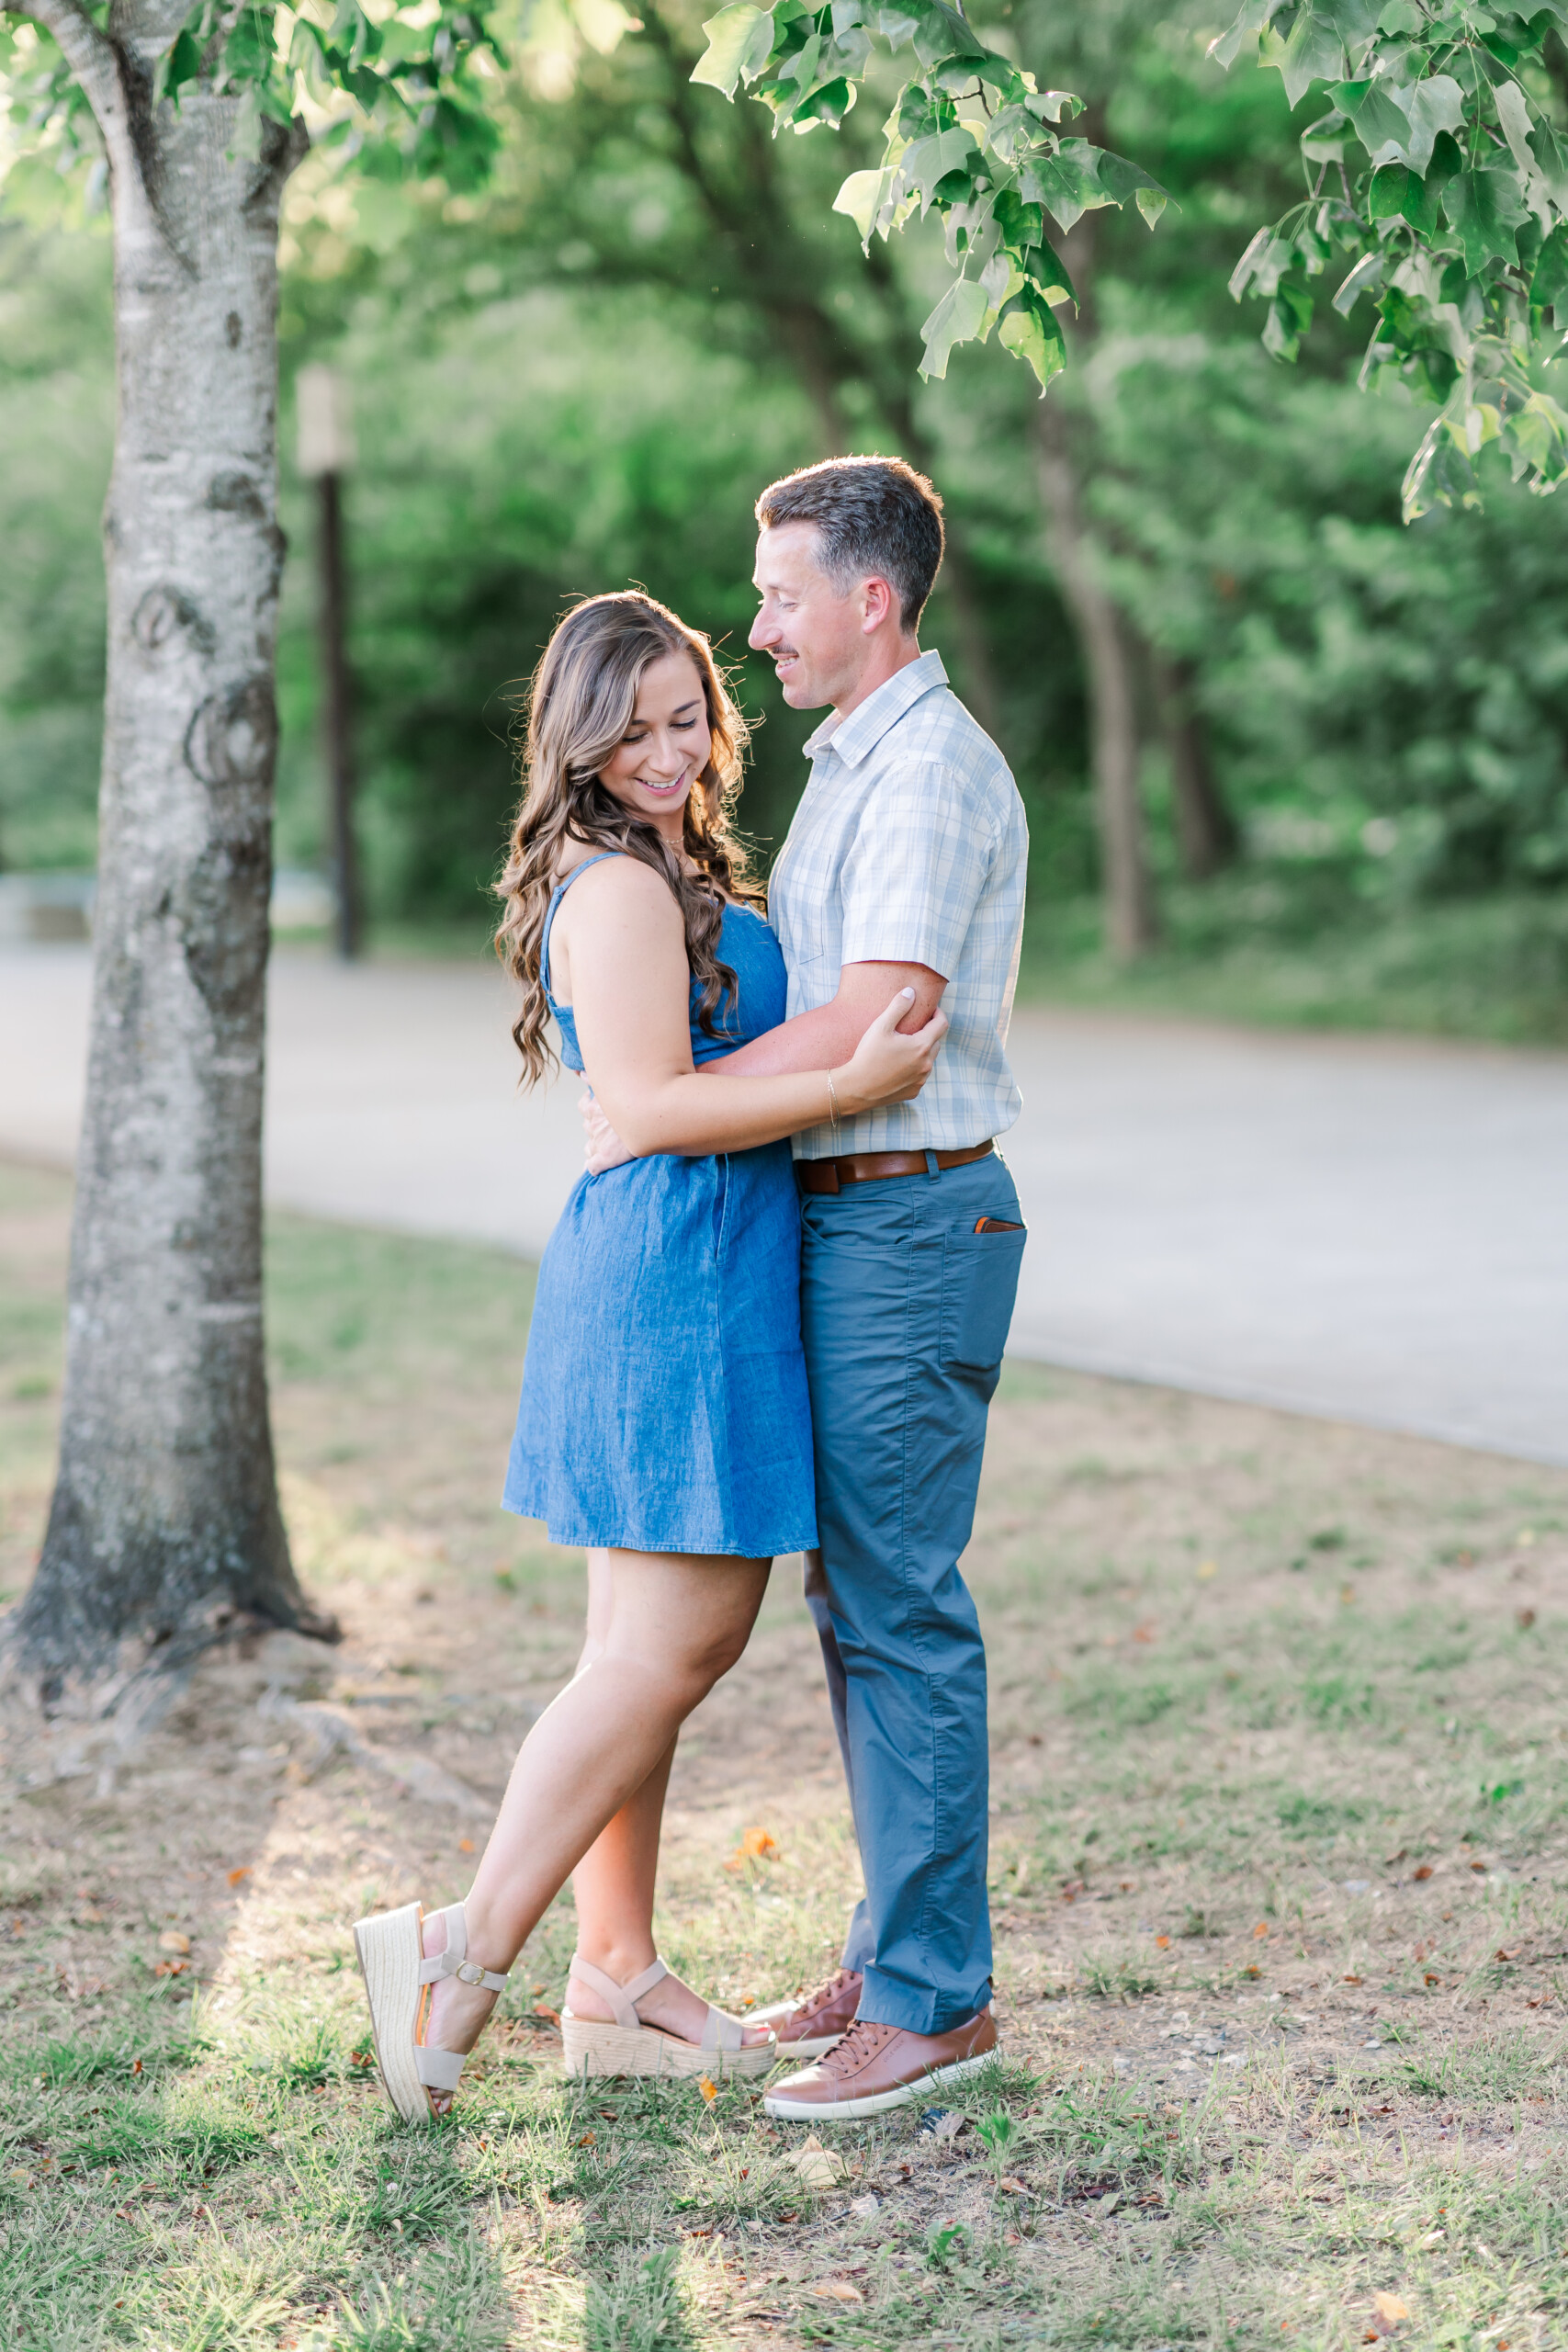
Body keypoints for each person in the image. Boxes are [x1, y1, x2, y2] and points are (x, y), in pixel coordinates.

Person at [353, 590, 944, 2120]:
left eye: (689, 718)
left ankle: (614, 1972)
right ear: (577, 735)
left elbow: (672, 1087)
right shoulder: (614, 886)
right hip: (673, 1273)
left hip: (703, 1262)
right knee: (674, 1647)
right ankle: (458, 1950)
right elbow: (660, 1107)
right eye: (634, 728)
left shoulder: (672, 862)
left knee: (639, 1657)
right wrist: (848, 1084)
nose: (670, 750)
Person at [588, 458, 1030, 2120]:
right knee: (864, 1606)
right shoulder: (859, 763)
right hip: (849, 1213)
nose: (754, 624)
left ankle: (934, 2002)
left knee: (900, 1608)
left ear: (870, 598)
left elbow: (872, 1029)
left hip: (910, 1220)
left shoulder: (922, 775)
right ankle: (895, 1950)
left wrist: (656, 1097)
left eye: (778, 594)